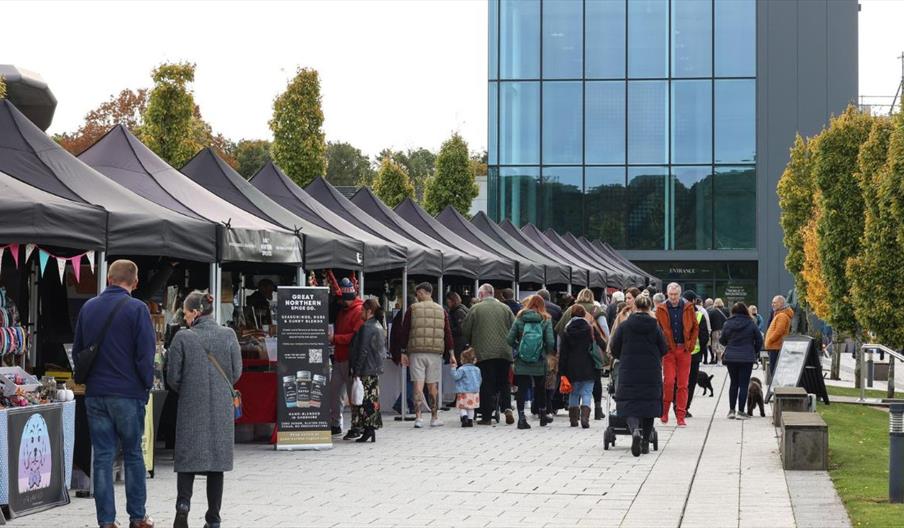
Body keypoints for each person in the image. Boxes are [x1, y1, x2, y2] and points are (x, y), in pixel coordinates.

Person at [71, 260, 156, 528]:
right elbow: (146, 355)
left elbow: (78, 352)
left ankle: (106, 521)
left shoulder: (89, 307)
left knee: (103, 457)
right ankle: (138, 517)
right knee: (132, 455)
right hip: (128, 393)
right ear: (135, 281)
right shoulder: (138, 309)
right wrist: (145, 386)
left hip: (96, 393)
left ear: (108, 278)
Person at [167, 292, 242, 528]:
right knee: (216, 463)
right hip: (221, 406)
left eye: (186, 313)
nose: (185, 317)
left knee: (187, 460)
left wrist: (190, 388)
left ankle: (183, 506)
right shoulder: (228, 334)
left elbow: (173, 377)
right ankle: (214, 517)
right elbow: (236, 372)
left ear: (196, 312)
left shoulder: (182, 338)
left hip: (191, 404)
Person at [609, 294, 667, 456]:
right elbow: (664, 348)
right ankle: (645, 442)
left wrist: (625, 356)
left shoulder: (625, 326)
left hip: (629, 370)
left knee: (629, 404)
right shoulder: (655, 326)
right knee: (649, 406)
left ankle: (635, 431)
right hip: (651, 371)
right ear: (649, 308)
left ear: (635, 307)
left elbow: (614, 347)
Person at [400, 282, 455, 428]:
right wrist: (451, 353)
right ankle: (434, 417)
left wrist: (403, 351)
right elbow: (447, 333)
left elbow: (405, 331)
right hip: (435, 353)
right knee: (432, 386)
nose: (417, 297)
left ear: (424, 292)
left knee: (418, 385)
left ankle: (418, 418)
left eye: (418, 294)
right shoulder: (441, 310)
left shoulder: (412, 309)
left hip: (416, 352)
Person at [462, 284, 516, 426]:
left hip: (483, 352)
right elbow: (514, 327)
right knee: (504, 382)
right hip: (504, 352)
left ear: (481, 295)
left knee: (486, 383)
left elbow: (466, 329)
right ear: (492, 293)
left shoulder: (475, 309)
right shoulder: (506, 308)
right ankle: (507, 408)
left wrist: (470, 342)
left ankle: (486, 416)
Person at [555, 288, 609, 420]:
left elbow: (559, 332)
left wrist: (559, 353)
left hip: (571, 363)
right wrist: (606, 351)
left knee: (574, 391)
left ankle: (574, 418)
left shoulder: (569, 312)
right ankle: (596, 410)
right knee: (590, 388)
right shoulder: (597, 311)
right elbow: (605, 332)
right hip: (589, 361)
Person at [506, 295, 556, 429]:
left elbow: (509, 339)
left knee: (522, 388)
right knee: (540, 388)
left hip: (522, 359)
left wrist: (519, 348)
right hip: (539, 360)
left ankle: (521, 418)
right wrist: (545, 351)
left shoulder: (520, 318)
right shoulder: (546, 319)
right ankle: (543, 415)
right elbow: (551, 342)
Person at [655, 282, 699, 427]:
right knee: (668, 382)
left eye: (676, 294)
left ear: (680, 294)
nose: (673, 297)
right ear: (667, 294)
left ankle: (681, 415)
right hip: (668, 351)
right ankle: (665, 412)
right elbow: (658, 328)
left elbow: (694, 327)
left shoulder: (688, 307)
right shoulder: (661, 308)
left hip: (684, 350)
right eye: (671, 294)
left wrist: (691, 345)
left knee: (683, 384)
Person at [329, 278, 364, 438]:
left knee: (352, 395)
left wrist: (334, 339)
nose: (338, 302)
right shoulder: (344, 311)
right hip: (340, 357)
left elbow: (354, 338)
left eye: (340, 299)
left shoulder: (358, 311)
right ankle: (336, 423)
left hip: (350, 359)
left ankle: (356, 425)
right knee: (336, 393)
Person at [348, 299, 386, 442]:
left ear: (369, 311)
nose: (361, 313)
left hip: (365, 369)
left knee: (364, 400)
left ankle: (368, 429)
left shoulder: (366, 327)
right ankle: (371, 429)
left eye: (363, 310)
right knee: (371, 399)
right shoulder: (378, 326)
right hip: (374, 368)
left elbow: (362, 350)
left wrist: (356, 370)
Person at [721, 302, 764, 419]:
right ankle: (741, 411)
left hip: (731, 358)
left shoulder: (727, 323)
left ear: (733, 312)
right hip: (746, 358)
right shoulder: (751, 323)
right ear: (746, 311)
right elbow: (759, 340)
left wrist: (729, 344)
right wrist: (753, 351)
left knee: (733, 383)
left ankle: (731, 410)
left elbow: (722, 340)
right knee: (744, 385)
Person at [559, 305, 599, 428]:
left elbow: (563, 353)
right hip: (588, 365)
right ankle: (585, 418)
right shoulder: (590, 329)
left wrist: (562, 371)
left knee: (574, 393)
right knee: (587, 392)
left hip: (571, 366)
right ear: (583, 315)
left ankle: (573, 419)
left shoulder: (567, 331)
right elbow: (600, 344)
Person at [683, 291, 710, 419]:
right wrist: (700, 349)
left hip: (681, 353)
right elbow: (704, 336)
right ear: (694, 300)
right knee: (691, 382)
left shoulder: (678, 313)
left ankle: (678, 405)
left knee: (680, 381)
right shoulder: (699, 315)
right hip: (694, 354)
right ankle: (685, 408)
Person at [452, 348, 482, 427]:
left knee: (462, 407)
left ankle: (464, 417)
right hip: (474, 392)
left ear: (463, 360)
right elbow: (480, 380)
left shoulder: (462, 369)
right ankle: (470, 421)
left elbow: (456, 377)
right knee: (471, 408)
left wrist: (453, 368)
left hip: (463, 392)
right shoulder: (477, 369)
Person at [765, 295, 794, 376]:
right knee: (774, 371)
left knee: (774, 372)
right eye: (772, 303)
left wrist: (770, 340)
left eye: (774, 303)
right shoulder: (780, 314)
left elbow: (779, 331)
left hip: (775, 347)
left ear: (781, 303)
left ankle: (775, 388)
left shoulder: (782, 315)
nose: (772, 304)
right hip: (775, 346)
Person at [445, 291, 470, 364]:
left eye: (448, 301)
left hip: (459, 345)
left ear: (453, 301)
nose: (447, 304)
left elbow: (460, 329)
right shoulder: (463, 310)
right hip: (462, 343)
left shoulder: (458, 312)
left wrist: (449, 331)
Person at [707, 298, 728, 365]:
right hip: (725, 330)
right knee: (724, 345)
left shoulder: (712, 311)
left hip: (715, 330)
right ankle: (722, 358)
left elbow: (709, 321)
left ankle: (719, 360)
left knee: (717, 345)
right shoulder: (726, 310)